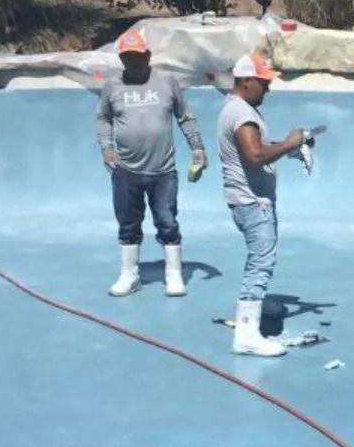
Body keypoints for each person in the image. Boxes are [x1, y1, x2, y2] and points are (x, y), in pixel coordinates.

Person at [96, 29, 206, 297]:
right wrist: (107, 148)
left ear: (148, 55)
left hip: (163, 171)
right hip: (126, 170)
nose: (132, 61)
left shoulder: (167, 82)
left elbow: (185, 117)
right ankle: (129, 275)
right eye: (126, 56)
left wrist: (197, 148)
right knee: (128, 222)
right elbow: (103, 118)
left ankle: (174, 275)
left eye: (137, 55)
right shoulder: (112, 86)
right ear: (121, 59)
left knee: (167, 221)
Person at [218, 53, 306, 357]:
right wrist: (288, 144)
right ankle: (246, 335)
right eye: (263, 82)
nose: (268, 88)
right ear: (246, 81)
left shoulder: (237, 108)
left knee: (260, 256)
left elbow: (253, 150)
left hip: (250, 200)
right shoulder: (242, 114)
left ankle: (254, 306)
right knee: (262, 262)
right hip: (252, 202)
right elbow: (255, 155)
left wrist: (286, 147)